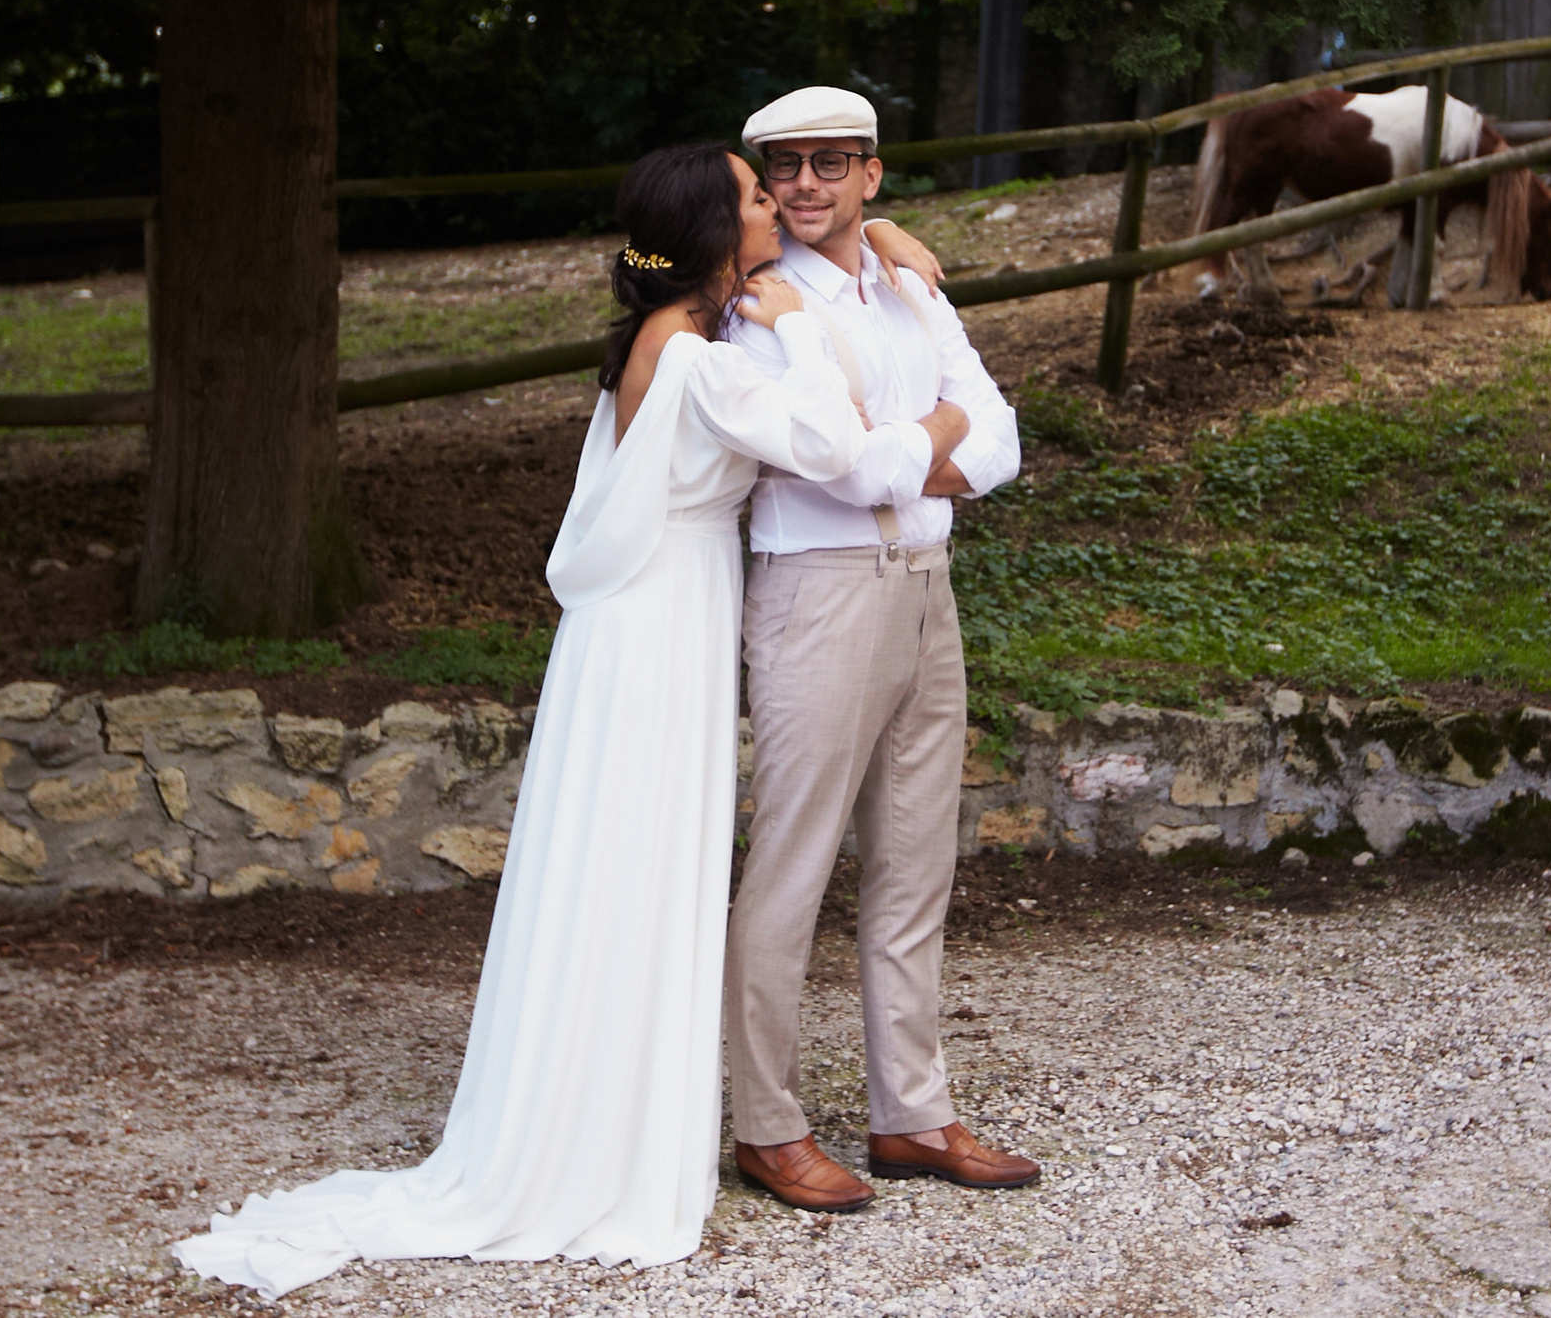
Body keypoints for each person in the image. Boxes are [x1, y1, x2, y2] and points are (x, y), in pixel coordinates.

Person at [171, 143, 941, 1296]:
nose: (776, 203)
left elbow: (819, 272)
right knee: (637, 866)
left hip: (642, 618)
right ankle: (599, 1142)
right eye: (753, 194)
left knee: (623, 864)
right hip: (663, 627)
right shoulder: (703, 356)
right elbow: (832, 444)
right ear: (711, 234)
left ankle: (608, 1107)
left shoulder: (664, 335)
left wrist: (874, 234)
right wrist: (798, 331)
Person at [723, 86, 1037, 1213]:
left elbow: (1001, 436)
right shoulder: (756, 301)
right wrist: (937, 437)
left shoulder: (910, 285)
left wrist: (919, 451)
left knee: (915, 863)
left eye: (830, 161)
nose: (806, 182)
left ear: (872, 174)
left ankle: (912, 1111)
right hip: (818, 594)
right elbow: (845, 471)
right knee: (792, 864)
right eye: (785, 164)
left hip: (924, 587)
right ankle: (767, 1126)